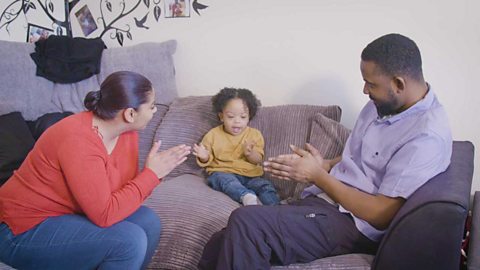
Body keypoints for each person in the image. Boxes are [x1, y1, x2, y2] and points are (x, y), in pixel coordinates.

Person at [198, 33, 453, 269]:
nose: (365, 91)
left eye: (371, 84)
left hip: (353, 224)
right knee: (218, 242)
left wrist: (318, 175)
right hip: (325, 204)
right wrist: (328, 164)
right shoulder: (384, 105)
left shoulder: (425, 137)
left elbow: (381, 214)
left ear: (398, 83)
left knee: (246, 222)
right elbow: (367, 155)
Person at [0, 71, 191, 269]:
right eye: (151, 107)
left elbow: (123, 196)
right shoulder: (79, 141)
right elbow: (105, 214)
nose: (154, 112)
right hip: (18, 229)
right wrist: (151, 175)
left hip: (66, 214)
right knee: (129, 242)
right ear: (130, 114)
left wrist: (151, 174)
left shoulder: (127, 133)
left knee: (148, 221)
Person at [193, 87, 280, 206]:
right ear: (221, 116)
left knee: (265, 186)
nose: (237, 121)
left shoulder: (254, 135)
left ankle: (276, 209)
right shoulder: (213, 135)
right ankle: (246, 196)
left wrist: (250, 153)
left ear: (249, 117)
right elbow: (208, 160)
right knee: (218, 179)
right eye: (230, 116)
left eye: (243, 117)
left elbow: (258, 159)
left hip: (251, 176)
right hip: (224, 173)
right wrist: (204, 156)